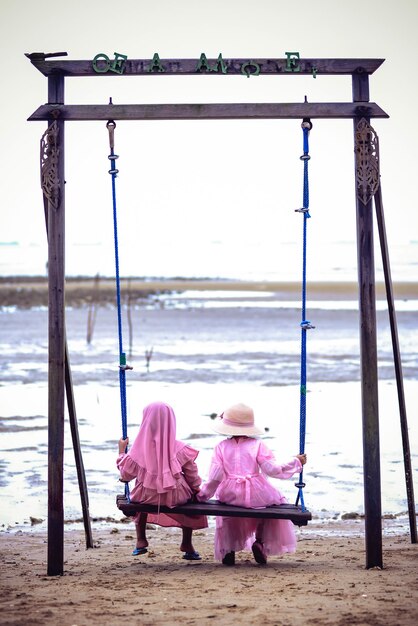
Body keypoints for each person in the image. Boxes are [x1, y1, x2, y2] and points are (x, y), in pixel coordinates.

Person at [197, 403, 307, 566]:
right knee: (272, 504)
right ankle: (260, 541)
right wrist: (295, 461)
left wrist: (202, 495)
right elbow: (272, 469)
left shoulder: (220, 447)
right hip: (257, 492)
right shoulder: (258, 445)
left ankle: (229, 549)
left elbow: (215, 478)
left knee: (228, 515)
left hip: (230, 494)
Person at [117, 401, 208, 560]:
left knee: (139, 495)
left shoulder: (137, 450)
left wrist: (121, 451)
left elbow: (125, 476)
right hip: (176, 496)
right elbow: (191, 473)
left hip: (146, 497)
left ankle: (141, 540)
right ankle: (187, 543)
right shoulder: (180, 447)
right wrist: (196, 489)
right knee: (190, 499)